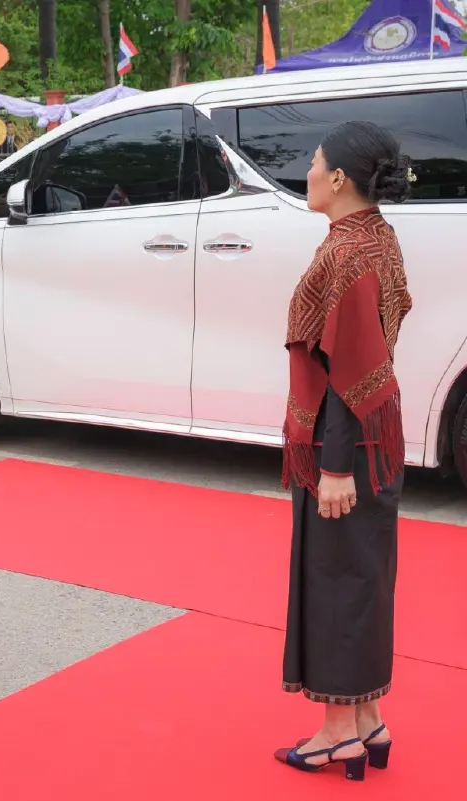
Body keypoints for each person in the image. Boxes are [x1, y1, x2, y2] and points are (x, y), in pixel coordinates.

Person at [274, 121, 413, 781]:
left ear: (338, 179)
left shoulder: (347, 253)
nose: (307, 170)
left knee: (335, 581)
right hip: (373, 436)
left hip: (347, 444)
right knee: (361, 579)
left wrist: (332, 467)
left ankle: (336, 731)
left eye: (315, 161)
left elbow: (345, 367)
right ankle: (367, 718)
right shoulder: (376, 237)